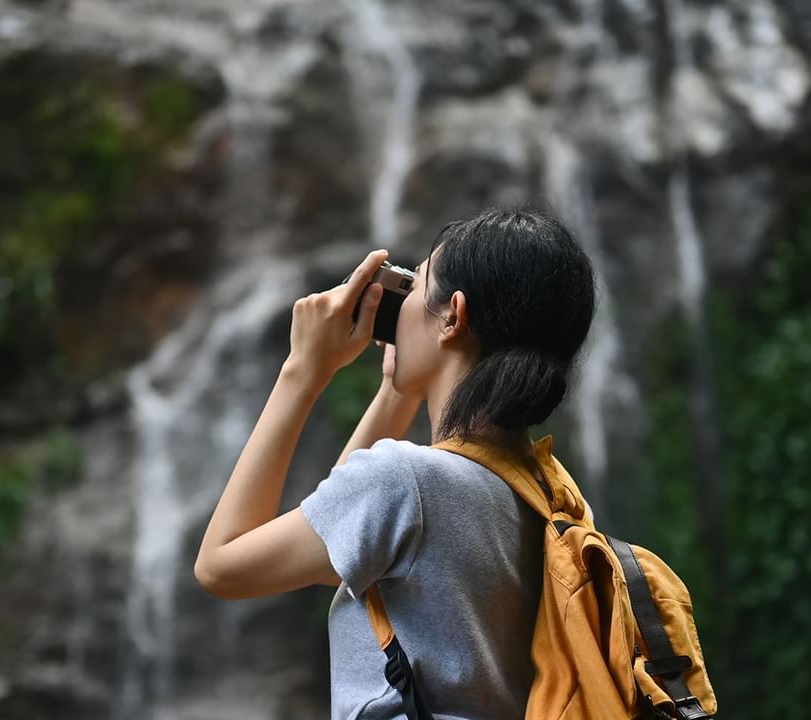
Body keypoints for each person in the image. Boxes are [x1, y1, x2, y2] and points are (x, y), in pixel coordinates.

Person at [195, 207, 598, 719]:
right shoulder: (546, 497)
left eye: (413, 286)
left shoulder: (405, 484)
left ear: (452, 315)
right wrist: (395, 390)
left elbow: (221, 566)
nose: (399, 305)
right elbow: (343, 530)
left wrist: (301, 371)